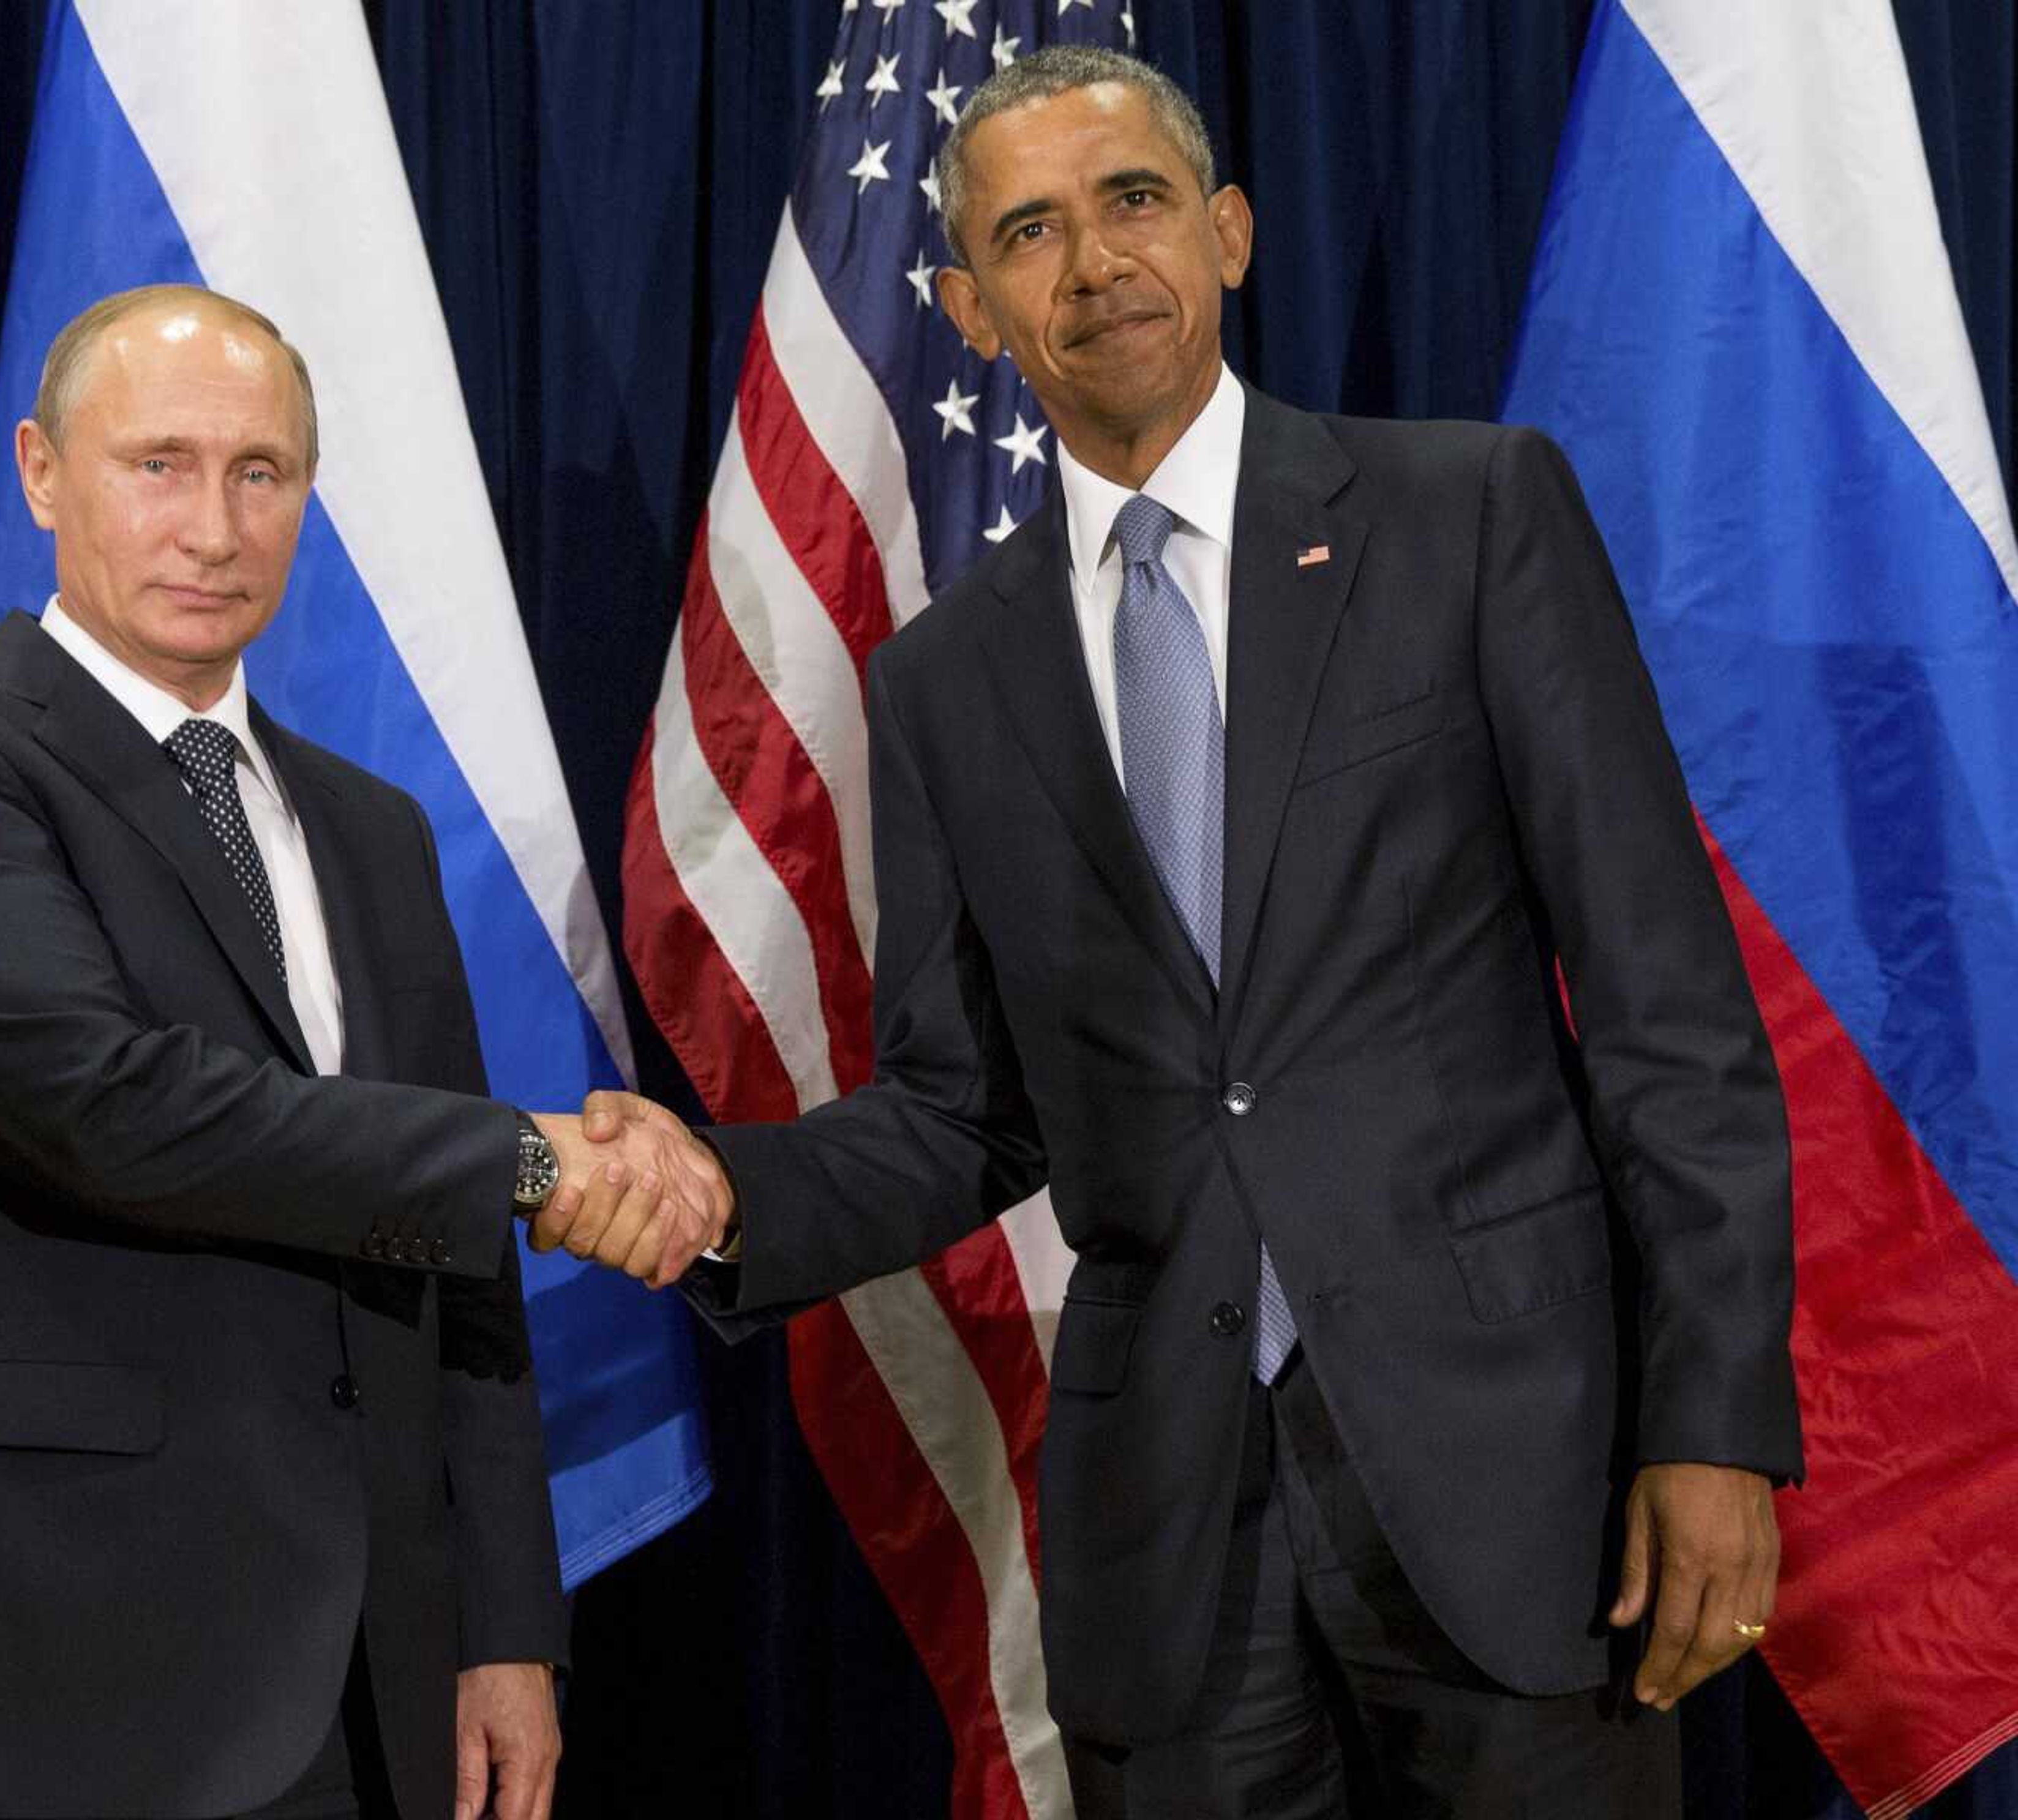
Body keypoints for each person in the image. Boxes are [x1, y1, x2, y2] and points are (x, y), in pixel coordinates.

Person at [555, 47, 1802, 1818]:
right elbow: (961, 1104)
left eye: (1132, 202)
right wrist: (725, 1193)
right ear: (973, 311)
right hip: (1177, 1546)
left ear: (1224, 233)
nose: (1094, 264)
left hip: (1518, 1482)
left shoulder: (1467, 516)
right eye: (1030, 234)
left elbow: (1670, 1004)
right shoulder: (943, 680)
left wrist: (1714, 1418)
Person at [0, 283, 710, 1820]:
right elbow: (115, 1107)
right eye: (158, 463)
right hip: (40, 1676)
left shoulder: (372, 827)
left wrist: (503, 1627)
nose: (214, 526)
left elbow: (456, 1262)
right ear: (40, 471)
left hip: (370, 1688)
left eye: (260, 472)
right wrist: (540, 1157)